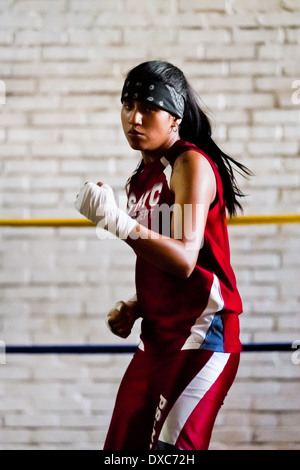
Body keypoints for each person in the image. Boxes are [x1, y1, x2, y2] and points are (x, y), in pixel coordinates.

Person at [75, 60, 251, 451]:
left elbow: (187, 259)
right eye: (127, 105)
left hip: (203, 336)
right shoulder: (142, 176)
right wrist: (137, 305)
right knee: (121, 451)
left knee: (170, 456)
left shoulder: (190, 163)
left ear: (174, 117)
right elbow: (167, 259)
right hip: (156, 337)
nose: (134, 118)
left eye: (148, 108)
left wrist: (117, 222)